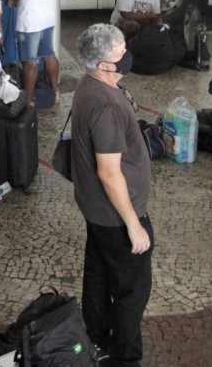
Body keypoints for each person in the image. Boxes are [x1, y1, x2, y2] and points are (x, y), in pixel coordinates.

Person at [70, 23, 153, 366]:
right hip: (116, 215)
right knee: (133, 287)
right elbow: (108, 171)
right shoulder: (105, 103)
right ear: (103, 65)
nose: (127, 59)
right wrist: (134, 224)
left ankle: (97, 337)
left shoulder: (88, 85)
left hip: (95, 210)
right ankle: (126, 355)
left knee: (99, 274)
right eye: (120, 56)